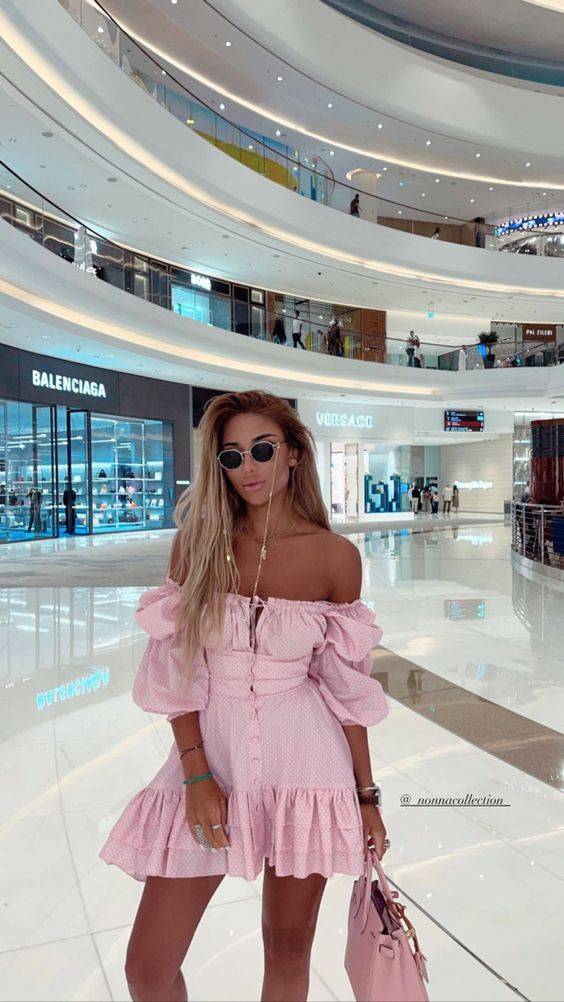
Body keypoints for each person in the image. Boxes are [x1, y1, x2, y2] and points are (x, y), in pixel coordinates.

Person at [99, 390, 390, 1002]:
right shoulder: (198, 545)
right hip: (212, 759)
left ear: (293, 454)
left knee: (288, 950)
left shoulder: (335, 558)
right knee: (147, 969)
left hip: (307, 765)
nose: (248, 467)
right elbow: (176, 671)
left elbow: (344, 688)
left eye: (262, 450)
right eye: (231, 456)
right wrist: (196, 774)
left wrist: (367, 797)